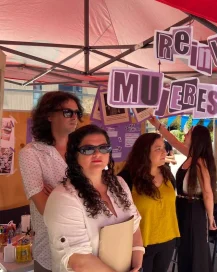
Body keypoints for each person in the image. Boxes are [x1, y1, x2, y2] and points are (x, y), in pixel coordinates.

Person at [43, 125, 144, 272]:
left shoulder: (120, 184)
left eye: (103, 148)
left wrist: (137, 264)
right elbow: (79, 261)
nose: (97, 153)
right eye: (88, 149)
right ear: (74, 155)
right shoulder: (63, 198)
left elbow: (134, 225)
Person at [19, 91, 84, 272]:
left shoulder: (82, 150)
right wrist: (80, 197)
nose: (74, 117)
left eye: (77, 113)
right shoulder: (31, 154)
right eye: (67, 112)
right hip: (50, 250)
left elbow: (97, 195)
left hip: (86, 246)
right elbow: (47, 210)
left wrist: (58, 193)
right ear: (49, 115)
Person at [149, 116, 217, 272]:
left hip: (194, 210)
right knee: (185, 249)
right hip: (182, 208)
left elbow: (207, 193)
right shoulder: (191, 155)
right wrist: (157, 125)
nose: (185, 135)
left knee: (195, 251)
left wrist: (211, 218)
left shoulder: (199, 161)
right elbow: (172, 141)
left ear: (196, 139)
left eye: (189, 133)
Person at [118, 133, 180, 272]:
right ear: (144, 153)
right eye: (158, 149)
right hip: (140, 244)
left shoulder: (167, 174)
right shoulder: (127, 178)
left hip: (167, 239)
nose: (165, 152)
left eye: (164, 147)